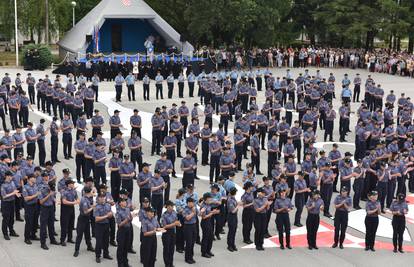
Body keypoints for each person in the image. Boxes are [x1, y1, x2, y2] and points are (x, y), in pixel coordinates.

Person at [38, 171, 59, 249]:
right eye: (45, 176)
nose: (47, 177)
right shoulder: (41, 188)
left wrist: (55, 199)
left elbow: (52, 196)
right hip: (44, 208)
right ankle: (43, 243)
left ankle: (52, 239)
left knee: (51, 224)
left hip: (51, 207)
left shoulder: (51, 185)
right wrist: (49, 195)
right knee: (43, 226)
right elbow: (41, 201)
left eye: (48, 176)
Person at [73, 186, 95, 257]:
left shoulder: (88, 199)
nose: (92, 193)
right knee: (79, 234)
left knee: (87, 234)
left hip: (86, 219)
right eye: (91, 191)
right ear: (88, 192)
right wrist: (92, 207)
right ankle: (76, 250)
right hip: (83, 218)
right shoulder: (84, 200)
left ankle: (89, 246)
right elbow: (86, 211)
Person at [94, 192, 113, 263]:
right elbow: (97, 219)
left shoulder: (108, 205)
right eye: (101, 197)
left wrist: (110, 215)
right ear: (98, 198)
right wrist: (106, 216)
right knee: (99, 241)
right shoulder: (97, 207)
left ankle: (106, 254)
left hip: (106, 224)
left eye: (103, 197)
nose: (102, 198)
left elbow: (110, 214)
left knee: (106, 240)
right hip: (99, 225)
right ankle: (98, 256)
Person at [1, 171, 20, 240]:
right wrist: (13, 193)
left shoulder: (12, 182)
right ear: (7, 176)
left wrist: (17, 194)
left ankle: (11, 231)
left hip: (12, 202)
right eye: (11, 176)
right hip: (6, 203)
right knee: (6, 218)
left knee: (12, 217)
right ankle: (5, 233)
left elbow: (14, 189)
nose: (12, 177)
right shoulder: (3, 185)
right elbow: (4, 196)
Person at [161, 200, 180, 267]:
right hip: (166, 233)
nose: (172, 207)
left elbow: (176, 220)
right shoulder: (164, 215)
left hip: (173, 232)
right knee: (167, 249)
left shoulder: (174, 212)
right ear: (167, 207)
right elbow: (164, 226)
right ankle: (167, 264)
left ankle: (170, 263)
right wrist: (174, 224)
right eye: (170, 206)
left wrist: (178, 223)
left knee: (172, 249)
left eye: (172, 206)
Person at [115, 197, 133, 267]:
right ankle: (120, 263)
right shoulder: (118, 212)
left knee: (126, 247)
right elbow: (119, 224)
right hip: (122, 231)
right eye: (123, 201)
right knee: (121, 248)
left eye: (125, 201)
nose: (125, 202)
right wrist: (127, 220)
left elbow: (130, 219)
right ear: (120, 203)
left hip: (128, 230)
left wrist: (131, 218)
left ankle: (125, 262)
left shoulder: (127, 210)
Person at [200, 192, 218, 258]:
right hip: (205, 222)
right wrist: (212, 213)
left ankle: (208, 250)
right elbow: (203, 217)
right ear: (205, 199)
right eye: (209, 199)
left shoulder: (208, 204)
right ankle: (204, 252)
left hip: (209, 221)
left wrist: (213, 212)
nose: (210, 200)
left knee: (210, 237)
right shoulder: (203, 206)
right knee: (206, 237)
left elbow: (209, 212)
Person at [60, 179, 78, 246]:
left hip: (71, 208)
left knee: (71, 223)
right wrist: (74, 202)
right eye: (72, 183)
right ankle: (62, 240)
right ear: (69, 184)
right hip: (65, 209)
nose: (73, 184)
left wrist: (76, 201)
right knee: (65, 225)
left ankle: (69, 238)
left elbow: (77, 199)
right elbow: (64, 201)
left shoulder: (74, 191)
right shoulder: (64, 192)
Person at [22, 174, 39, 244]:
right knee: (29, 222)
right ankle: (27, 238)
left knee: (35, 221)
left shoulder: (35, 185)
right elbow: (26, 198)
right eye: (34, 178)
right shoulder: (25, 187)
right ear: (29, 179)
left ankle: (33, 235)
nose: (35, 179)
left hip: (35, 205)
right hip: (29, 206)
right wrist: (35, 195)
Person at [182, 197, 197, 264]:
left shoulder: (194, 208)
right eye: (191, 202)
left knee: (193, 242)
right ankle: (187, 258)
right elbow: (187, 218)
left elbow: (199, 214)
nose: (192, 204)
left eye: (193, 202)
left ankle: (191, 257)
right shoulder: (185, 209)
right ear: (188, 203)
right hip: (188, 227)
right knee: (189, 243)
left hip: (194, 226)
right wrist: (193, 212)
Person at [227, 187, 239, 252]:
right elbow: (233, 211)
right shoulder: (230, 200)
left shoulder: (233, 198)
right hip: (231, 216)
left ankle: (233, 244)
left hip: (234, 216)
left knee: (234, 230)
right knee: (231, 231)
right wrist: (238, 205)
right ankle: (229, 245)